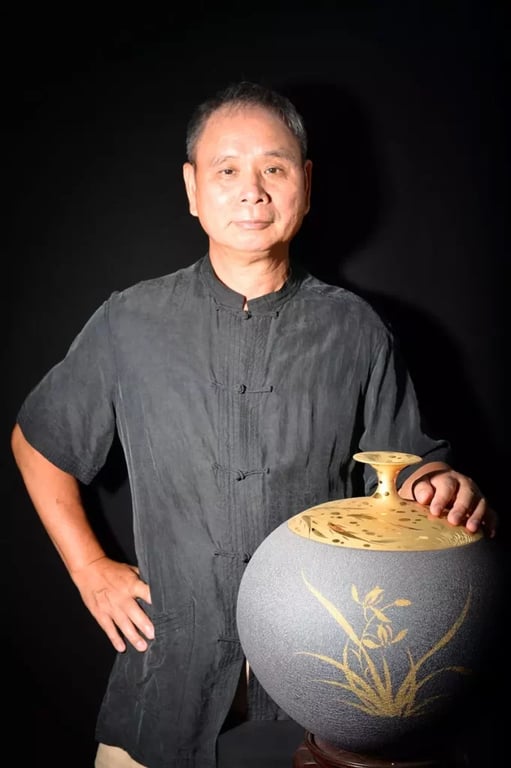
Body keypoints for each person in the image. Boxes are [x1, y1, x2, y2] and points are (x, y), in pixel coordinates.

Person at [11, 80, 497, 768]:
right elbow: (37, 442)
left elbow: (407, 470)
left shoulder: (355, 329)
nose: (252, 192)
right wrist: (90, 569)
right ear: (192, 188)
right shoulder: (129, 322)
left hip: (325, 691)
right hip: (163, 689)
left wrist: (438, 486)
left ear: (305, 182)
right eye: (227, 171)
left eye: (273, 168)